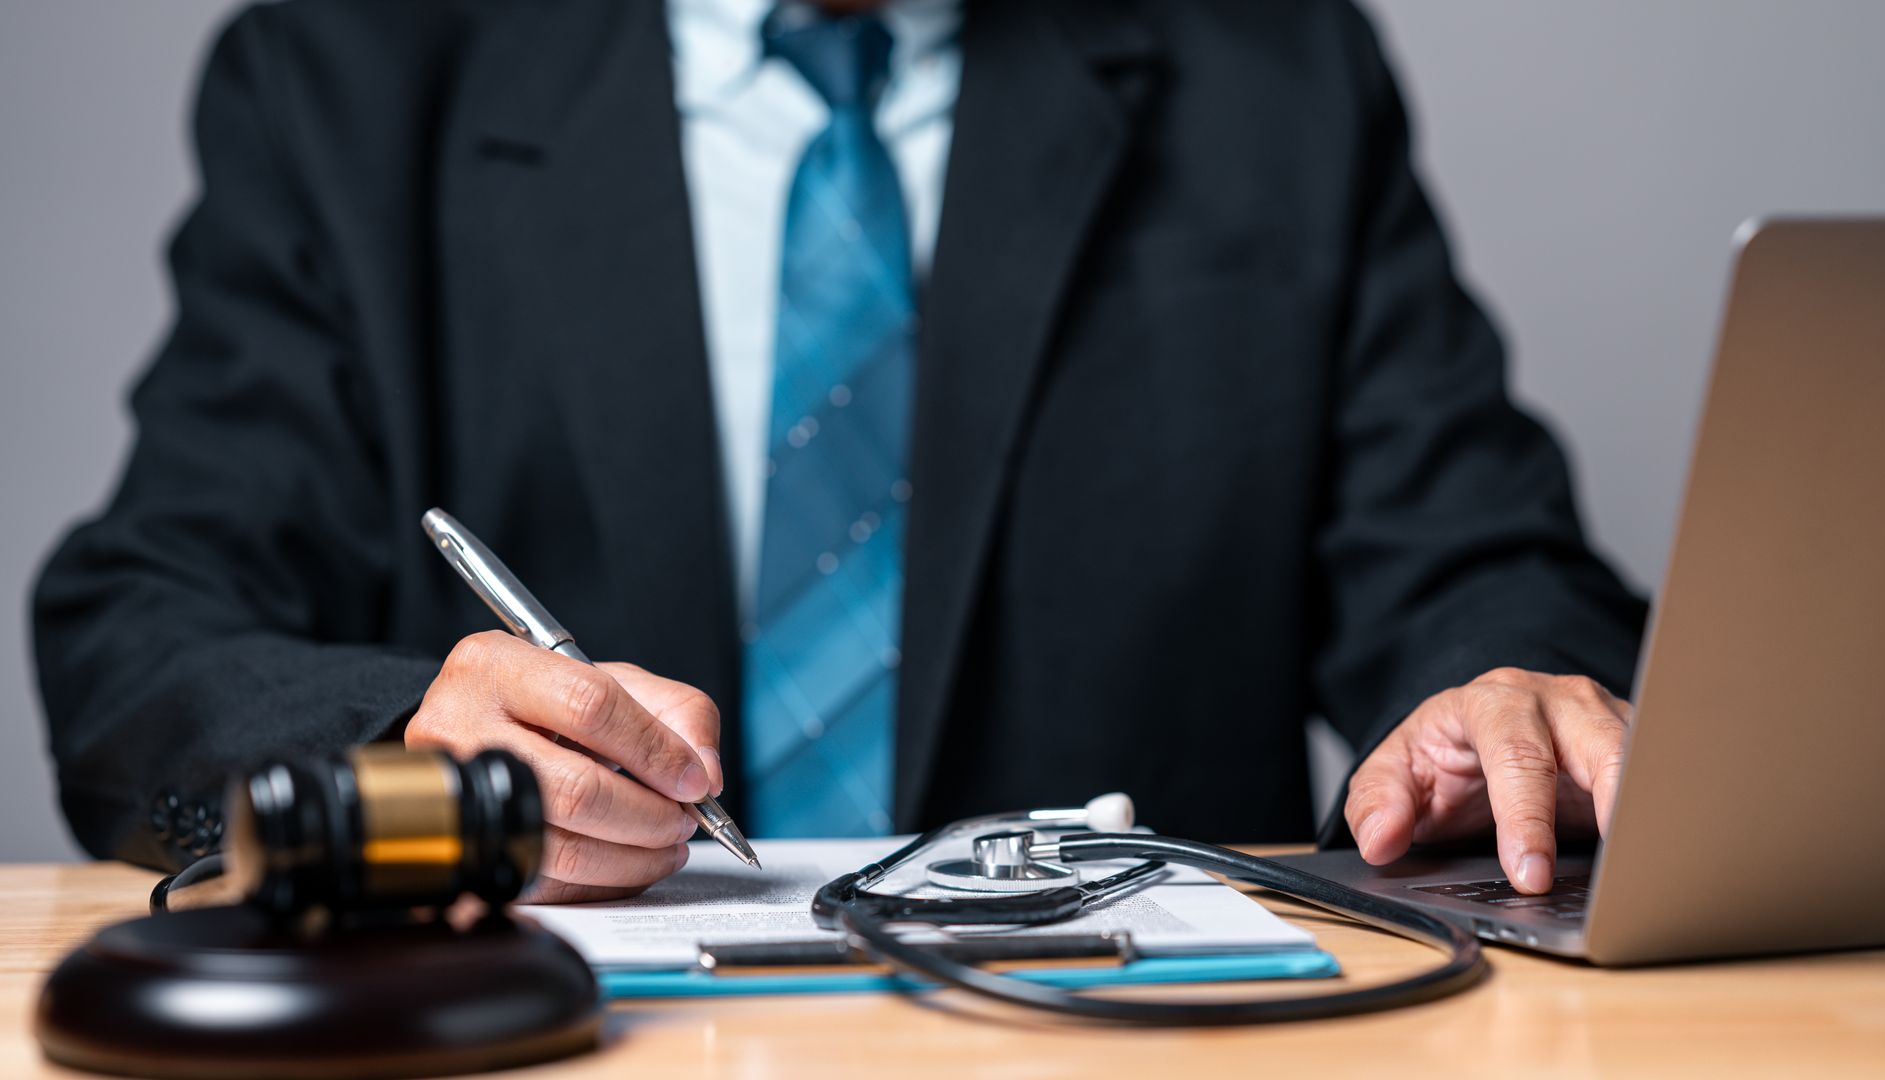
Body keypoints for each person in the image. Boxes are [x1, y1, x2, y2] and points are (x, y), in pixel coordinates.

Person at [34, 0, 1646, 904]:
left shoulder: (1275, 75)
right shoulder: (348, 75)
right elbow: (137, 640)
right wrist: (406, 748)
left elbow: (1480, 566)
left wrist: (1506, 695)